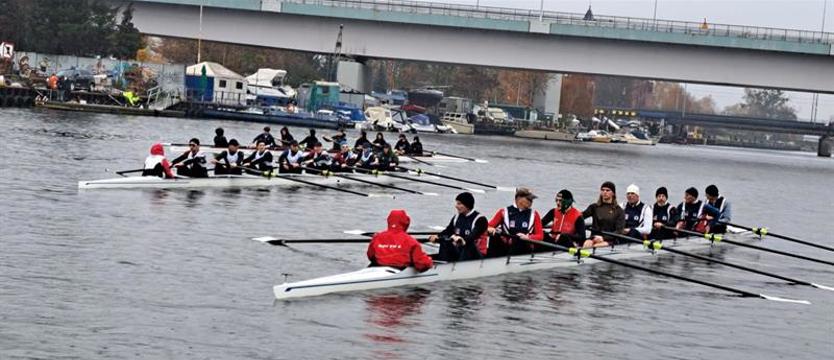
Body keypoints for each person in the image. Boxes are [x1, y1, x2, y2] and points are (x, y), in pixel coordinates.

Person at [367, 209, 434, 272]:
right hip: (399, 271)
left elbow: (370, 256)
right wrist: (429, 262)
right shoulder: (411, 241)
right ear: (405, 223)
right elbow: (421, 264)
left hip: (377, 268)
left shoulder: (377, 237)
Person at [429, 192, 489, 261]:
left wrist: (461, 239)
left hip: (476, 255)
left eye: (459, 203)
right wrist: (437, 236)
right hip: (460, 251)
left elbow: (472, 236)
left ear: (467, 205)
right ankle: (443, 265)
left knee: (468, 244)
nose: (456, 206)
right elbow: (448, 231)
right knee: (445, 241)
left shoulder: (480, 219)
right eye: (457, 203)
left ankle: (457, 268)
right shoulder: (457, 217)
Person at [486, 187, 544, 256]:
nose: (531, 202)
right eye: (529, 199)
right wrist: (490, 228)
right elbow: (487, 226)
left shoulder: (534, 214)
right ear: (519, 198)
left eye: (532, 200)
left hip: (524, 248)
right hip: (506, 248)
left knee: (519, 241)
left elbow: (540, 236)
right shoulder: (504, 212)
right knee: (494, 236)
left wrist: (528, 237)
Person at [581, 181, 625, 248]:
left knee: (595, 247)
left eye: (607, 190)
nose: (604, 192)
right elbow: (580, 217)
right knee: (586, 244)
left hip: (610, 239)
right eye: (602, 190)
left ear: (613, 193)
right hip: (594, 237)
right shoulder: (594, 207)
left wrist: (603, 238)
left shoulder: (619, 211)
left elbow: (619, 231)